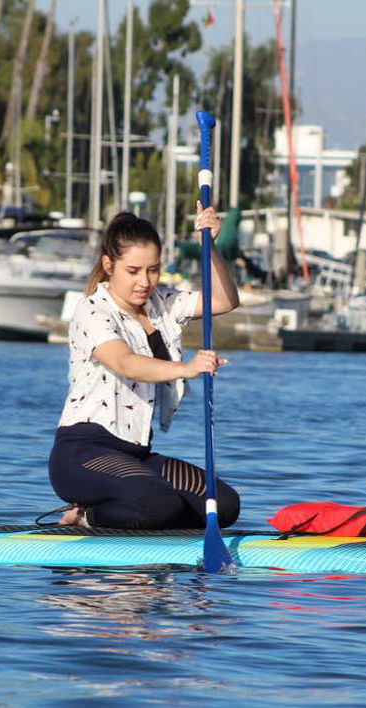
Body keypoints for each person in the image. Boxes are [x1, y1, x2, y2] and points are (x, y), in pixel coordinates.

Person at [48, 206, 242, 529]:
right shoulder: (93, 310)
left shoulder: (161, 305)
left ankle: (137, 514)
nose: (145, 282)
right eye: (134, 271)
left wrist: (208, 246)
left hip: (135, 457)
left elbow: (224, 301)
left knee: (222, 505)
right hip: (82, 455)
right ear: (109, 265)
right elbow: (126, 363)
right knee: (158, 503)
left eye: (153, 270)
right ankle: (87, 515)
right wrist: (187, 368)